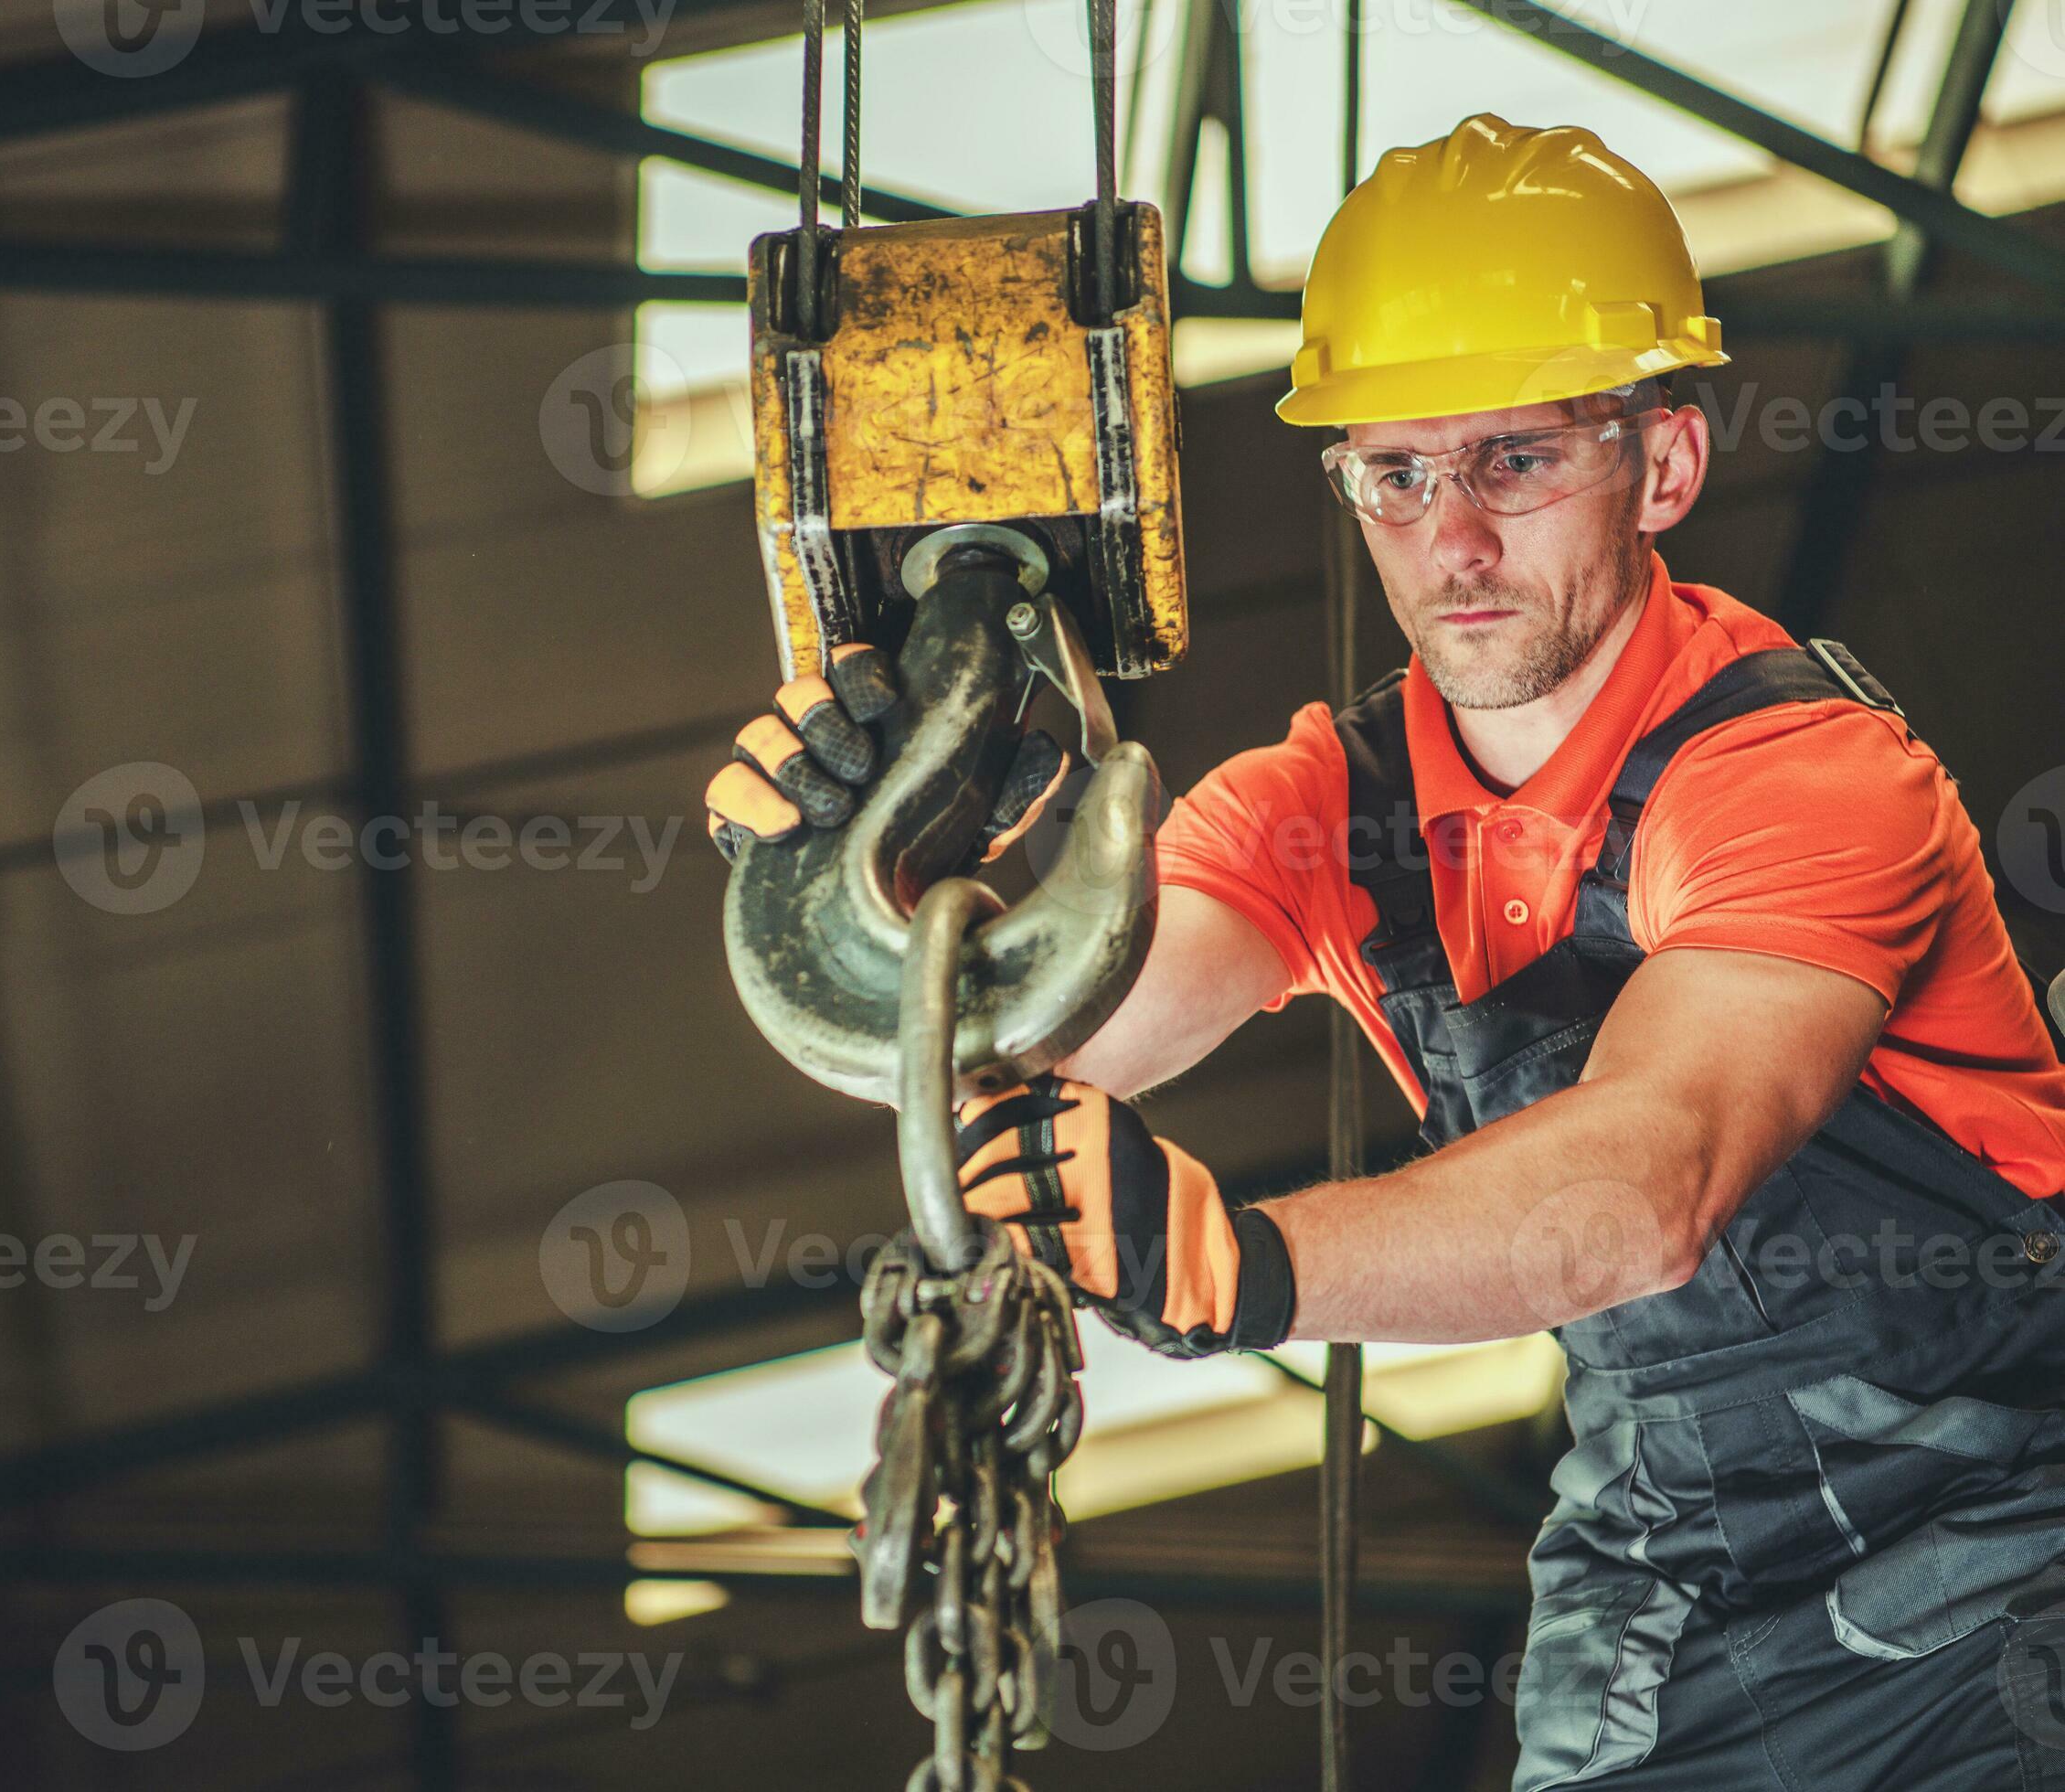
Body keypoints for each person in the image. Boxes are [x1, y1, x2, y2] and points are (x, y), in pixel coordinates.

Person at [705, 114, 2065, 1788]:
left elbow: (1653, 1184)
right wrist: (854, 876)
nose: (1453, 542)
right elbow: (1026, 1044)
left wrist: (1242, 1270)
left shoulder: (1799, 779)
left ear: (1664, 468)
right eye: (1397, 475)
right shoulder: (1326, 805)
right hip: (1662, 1588)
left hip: (2003, 1549)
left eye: (1514, 461)